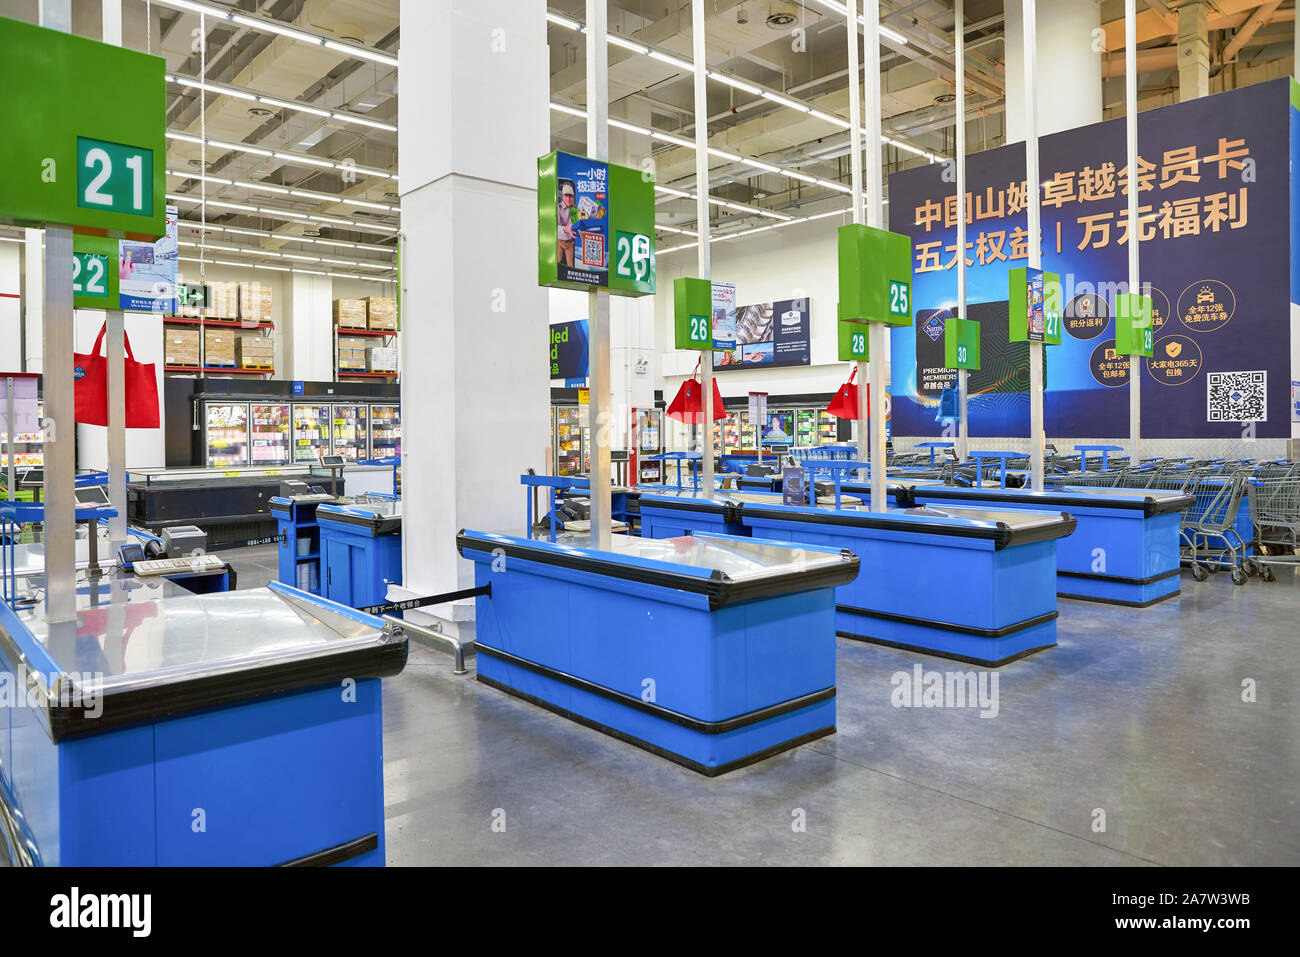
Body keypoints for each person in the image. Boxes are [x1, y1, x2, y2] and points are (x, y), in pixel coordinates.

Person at [557, 179, 576, 266]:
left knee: (570, 265)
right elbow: (553, 227)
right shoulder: (558, 208)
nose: (568, 199)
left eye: (570, 196)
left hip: (570, 243)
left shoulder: (575, 209)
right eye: (566, 196)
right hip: (559, 241)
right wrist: (565, 229)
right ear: (563, 196)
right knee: (558, 260)